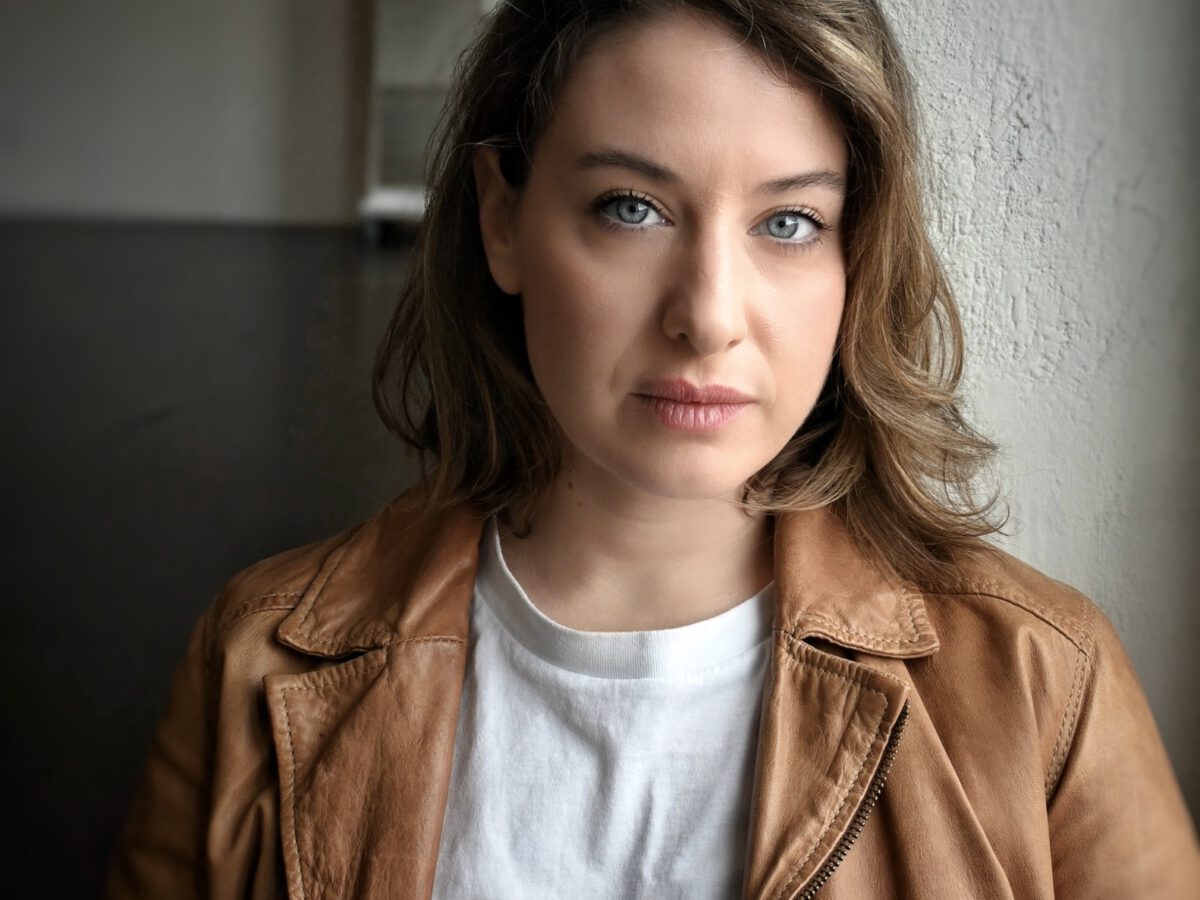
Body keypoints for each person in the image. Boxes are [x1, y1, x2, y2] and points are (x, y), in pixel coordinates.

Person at [107, 0, 1199, 897]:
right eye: (631, 208)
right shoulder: (257, 662)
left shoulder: (1043, 685)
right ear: (502, 218)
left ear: (854, 254)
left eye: (788, 223)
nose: (708, 317)